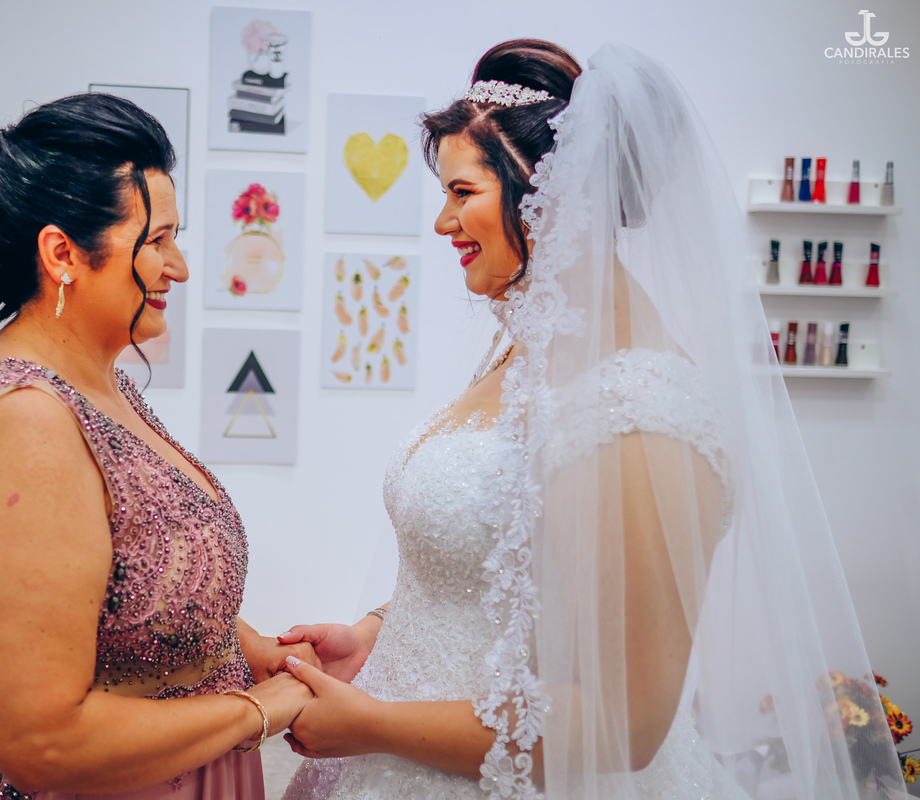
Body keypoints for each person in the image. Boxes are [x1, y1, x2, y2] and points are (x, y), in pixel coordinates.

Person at [277, 40, 906, 799]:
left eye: (462, 191)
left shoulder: (642, 409)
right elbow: (494, 570)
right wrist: (371, 635)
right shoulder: (526, 347)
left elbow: (625, 720)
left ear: (546, 192)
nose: (443, 221)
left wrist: (373, 724)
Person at [0, 93, 315, 800]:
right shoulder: (27, 421)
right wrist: (260, 710)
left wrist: (262, 654)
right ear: (62, 253)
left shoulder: (101, 387)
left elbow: (132, 591)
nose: (179, 267)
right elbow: (42, 742)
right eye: (157, 241)